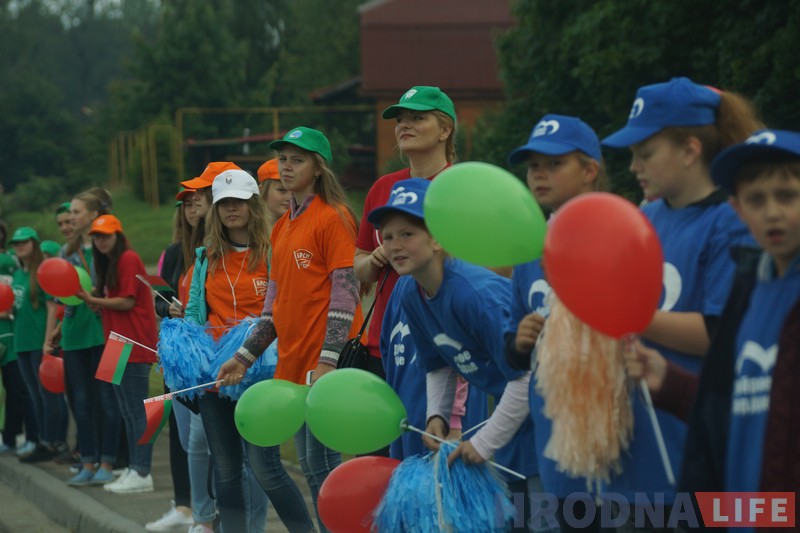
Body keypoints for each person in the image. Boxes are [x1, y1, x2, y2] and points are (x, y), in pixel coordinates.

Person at [599, 77, 762, 520]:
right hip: (635, 455)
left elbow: (719, 332)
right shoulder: (645, 216)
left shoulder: (731, 222)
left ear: (690, 150)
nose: (633, 166)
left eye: (646, 153)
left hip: (692, 448)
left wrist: (627, 314)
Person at [627, 130, 800, 524]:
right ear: (738, 209)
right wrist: (671, 383)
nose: (771, 212)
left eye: (787, 196)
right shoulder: (748, 289)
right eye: (757, 200)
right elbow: (736, 405)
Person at [368, 178, 542, 533]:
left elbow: (527, 377)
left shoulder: (475, 294)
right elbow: (439, 364)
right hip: (517, 426)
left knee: (547, 520)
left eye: (407, 234)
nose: (395, 246)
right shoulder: (411, 293)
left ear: (437, 239)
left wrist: (483, 441)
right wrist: (438, 417)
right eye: (387, 237)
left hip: (548, 420)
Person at [219, 127, 364, 533]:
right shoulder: (282, 227)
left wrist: (329, 362)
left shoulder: (333, 217)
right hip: (293, 362)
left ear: (318, 167)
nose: (286, 166)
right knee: (311, 467)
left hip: (323, 365)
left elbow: (345, 293)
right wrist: (243, 358)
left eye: (297, 159)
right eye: (282, 158)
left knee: (323, 467)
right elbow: (273, 309)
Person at [184, 169, 310, 533]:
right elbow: (196, 309)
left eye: (238, 201)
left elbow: (284, 309)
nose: (231, 209)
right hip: (215, 374)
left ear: (253, 204)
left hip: (260, 372)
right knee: (224, 470)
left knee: (266, 468)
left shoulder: (274, 248)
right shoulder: (206, 256)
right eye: (224, 203)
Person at [503, 114, 608, 530]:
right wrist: (521, 341)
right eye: (532, 166)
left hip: (610, 425)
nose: (538, 174)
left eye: (553, 163)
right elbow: (510, 354)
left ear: (589, 170)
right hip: (552, 424)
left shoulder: (620, 232)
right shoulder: (530, 248)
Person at [354, 86, 457, 377]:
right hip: (384, 342)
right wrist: (372, 261)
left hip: (446, 339)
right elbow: (358, 266)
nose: (404, 126)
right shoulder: (382, 188)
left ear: (444, 130)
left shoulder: (461, 186)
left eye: (417, 118)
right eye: (400, 120)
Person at [76, 214, 158, 494]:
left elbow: (127, 301)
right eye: (96, 236)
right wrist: (99, 302)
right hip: (115, 343)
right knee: (124, 410)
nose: (100, 241)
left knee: (136, 412)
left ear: (118, 236)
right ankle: (134, 468)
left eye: (105, 235)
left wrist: (94, 300)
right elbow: (115, 303)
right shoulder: (108, 262)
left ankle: (142, 472)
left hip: (133, 343)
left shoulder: (128, 259)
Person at [54, 190, 121, 486]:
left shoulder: (110, 245)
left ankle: (109, 461)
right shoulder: (65, 252)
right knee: (80, 401)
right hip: (75, 334)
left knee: (109, 400)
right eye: (70, 213)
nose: (71, 217)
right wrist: (55, 332)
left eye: (77, 211)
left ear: (94, 215)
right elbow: (61, 294)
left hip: (109, 335)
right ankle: (87, 461)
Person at [145, 190, 197, 532]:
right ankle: (182, 507)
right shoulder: (173, 252)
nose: (193, 210)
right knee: (179, 432)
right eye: (187, 205)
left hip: (208, 353)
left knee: (205, 438)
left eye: (198, 202)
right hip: (176, 353)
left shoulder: (219, 250)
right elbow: (159, 300)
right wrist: (169, 307)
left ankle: (206, 512)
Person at [9, 226, 70, 463]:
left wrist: (47, 341)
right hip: (20, 342)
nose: (19, 246)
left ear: (34, 244)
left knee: (49, 394)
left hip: (38, 343)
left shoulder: (42, 272)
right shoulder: (17, 274)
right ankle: (45, 440)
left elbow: (52, 309)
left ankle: (54, 441)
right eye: (16, 243)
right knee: (35, 395)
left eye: (24, 242)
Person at [257, 157, 292, 229]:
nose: (290, 198)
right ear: (261, 190)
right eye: (282, 190)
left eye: (295, 191)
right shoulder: (247, 229)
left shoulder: (308, 227)